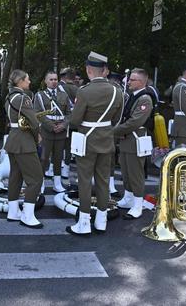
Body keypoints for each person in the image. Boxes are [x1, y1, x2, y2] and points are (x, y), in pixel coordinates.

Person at [67, 52, 123, 236]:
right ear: (104, 71)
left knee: (84, 180)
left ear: (89, 70)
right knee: (103, 180)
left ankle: (84, 222)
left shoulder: (84, 91)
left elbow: (75, 120)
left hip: (87, 140)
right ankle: (101, 220)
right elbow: (117, 119)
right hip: (106, 139)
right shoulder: (117, 91)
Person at [4, 69, 44, 228]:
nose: (29, 82)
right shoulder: (23, 98)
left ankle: (13, 211)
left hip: (13, 139)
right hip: (24, 142)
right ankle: (28, 215)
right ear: (20, 81)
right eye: (27, 79)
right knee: (35, 179)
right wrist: (37, 138)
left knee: (15, 176)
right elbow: (34, 123)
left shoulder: (9, 97)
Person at [114, 68, 153, 218]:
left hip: (135, 139)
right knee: (125, 170)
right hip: (126, 140)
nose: (128, 82)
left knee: (135, 173)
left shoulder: (145, 99)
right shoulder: (132, 96)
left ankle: (137, 205)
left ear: (142, 82)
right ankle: (128, 198)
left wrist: (114, 131)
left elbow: (135, 122)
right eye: (129, 79)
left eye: (132, 80)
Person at [35, 71, 71, 193]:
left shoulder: (64, 95)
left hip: (61, 130)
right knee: (44, 158)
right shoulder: (40, 95)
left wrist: (63, 125)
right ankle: (40, 182)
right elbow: (38, 113)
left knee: (58, 158)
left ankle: (57, 182)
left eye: (55, 79)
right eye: (51, 79)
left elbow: (69, 113)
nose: (54, 82)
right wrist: (51, 126)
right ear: (45, 81)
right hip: (47, 130)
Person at [57, 67, 79, 178]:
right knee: (69, 146)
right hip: (73, 120)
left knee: (57, 145)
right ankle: (66, 168)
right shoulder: (77, 89)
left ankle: (54, 167)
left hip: (59, 120)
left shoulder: (57, 88)